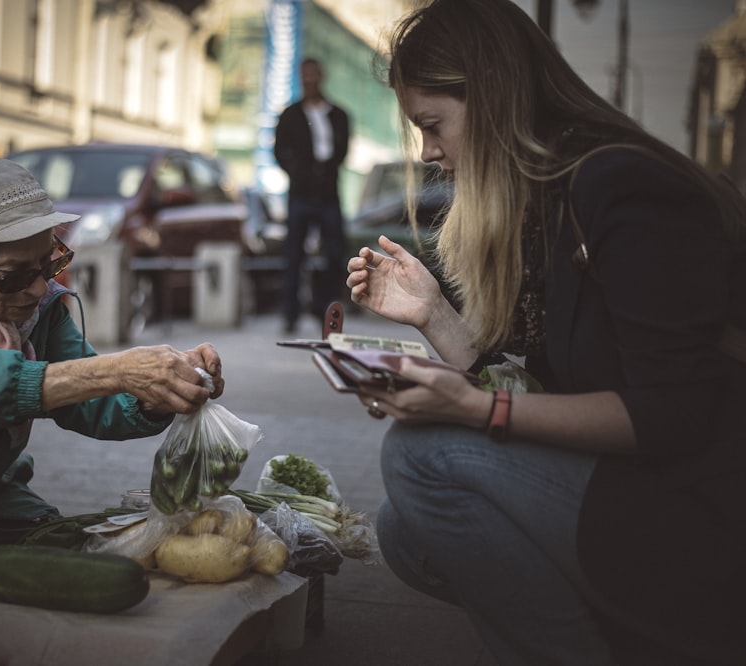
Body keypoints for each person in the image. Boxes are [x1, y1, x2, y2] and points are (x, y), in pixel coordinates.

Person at [345, 1, 746, 664]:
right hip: (641, 491)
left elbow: (674, 413)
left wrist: (474, 408)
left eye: (434, 125)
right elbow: (546, 390)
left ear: (495, 97)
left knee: (419, 459)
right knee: (405, 532)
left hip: (708, 520)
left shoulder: (623, 188)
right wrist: (434, 316)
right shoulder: (550, 200)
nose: (430, 152)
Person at [0, 158, 225, 554]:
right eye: (12, 275)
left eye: (49, 264)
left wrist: (158, 387)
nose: (35, 289)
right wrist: (117, 369)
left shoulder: (39, 309)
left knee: (76, 553)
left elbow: (97, 402)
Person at [274, 56, 350, 333]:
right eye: (304, 75)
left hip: (329, 195)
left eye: (313, 75)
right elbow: (279, 151)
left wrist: (326, 172)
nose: (309, 80)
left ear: (321, 76)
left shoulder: (338, 115)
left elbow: (341, 151)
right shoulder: (291, 115)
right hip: (300, 196)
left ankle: (325, 310)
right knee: (293, 256)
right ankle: (290, 314)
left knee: (334, 255)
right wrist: (297, 172)